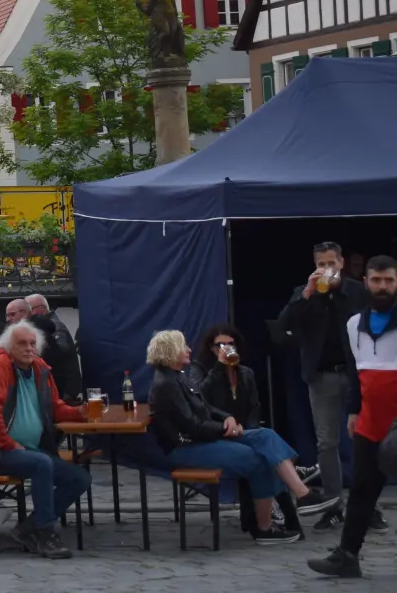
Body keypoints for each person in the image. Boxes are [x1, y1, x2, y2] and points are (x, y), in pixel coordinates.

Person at [145, 328, 323, 549]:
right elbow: (192, 426)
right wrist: (224, 429)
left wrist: (227, 417)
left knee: (265, 436)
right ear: (171, 351)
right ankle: (265, 528)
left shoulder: (177, 377)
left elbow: (204, 406)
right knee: (258, 459)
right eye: (183, 346)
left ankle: (301, 494)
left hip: (201, 438)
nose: (189, 349)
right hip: (185, 448)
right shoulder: (166, 384)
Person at [0, 321, 88, 559]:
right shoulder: (1, 365)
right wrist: (7, 444)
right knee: (43, 464)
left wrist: (79, 413)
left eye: (32, 343)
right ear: (9, 347)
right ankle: (45, 534)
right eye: (22, 343)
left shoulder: (40, 368)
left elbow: (55, 407)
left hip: (31, 449)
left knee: (79, 479)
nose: (29, 348)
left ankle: (26, 529)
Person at [310, 254, 397, 578]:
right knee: (361, 489)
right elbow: (358, 372)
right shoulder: (353, 325)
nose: (383, 286)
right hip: (371, 421)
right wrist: (354, 410)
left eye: (389, 280)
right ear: (366, 282)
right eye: (377, 280)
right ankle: (347, 556)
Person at [276, 241, 371, 530]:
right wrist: (305, 294)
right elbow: (282, 327)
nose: (326, 269)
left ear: (341, 263)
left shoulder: (356, 291)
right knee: (327, 442)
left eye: (331, 263)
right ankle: (333, 505)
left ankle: (369, 505)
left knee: (367, 438)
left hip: (357, 374)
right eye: (320, 264)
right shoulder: (304, 293)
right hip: (322, 375)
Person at [196, 323, 260, 429]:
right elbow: (201, 397)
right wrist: (219, 366)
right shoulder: (200, 369)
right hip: (219, 430)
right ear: (211, 348)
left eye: (231, 344)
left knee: (267, 435)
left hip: (244, 430)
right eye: (221, 345)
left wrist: (250, 430)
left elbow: (254, 407)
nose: (227, 348)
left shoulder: (246, 373)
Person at [25, 295, 82, 403]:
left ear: (41, 309)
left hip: (65, 392)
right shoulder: (49, 325)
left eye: (29, 310)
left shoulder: (56, 327)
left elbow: (61, 351)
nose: (28, 315)